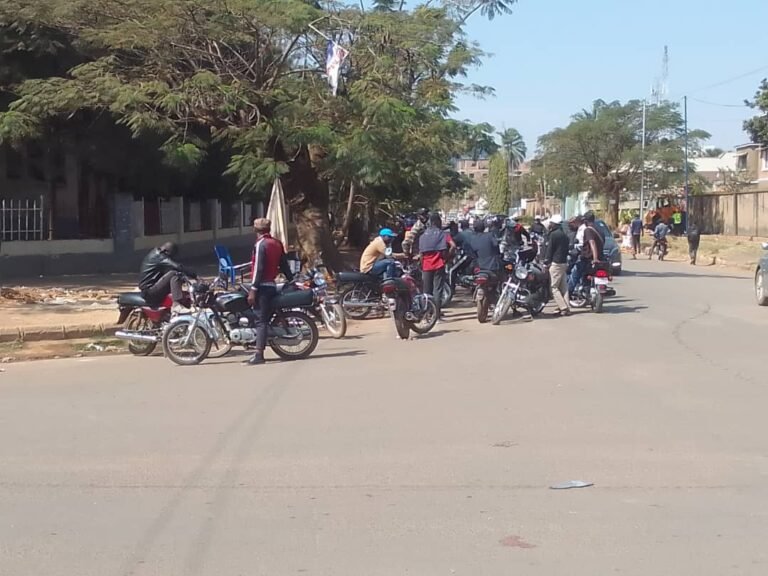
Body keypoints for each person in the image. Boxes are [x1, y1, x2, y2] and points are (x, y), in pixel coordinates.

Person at [245, 218, 293, 366]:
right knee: (264, 318)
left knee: (261, 320)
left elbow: (258, 268)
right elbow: (284, 264)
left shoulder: (261, 244)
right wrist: (291, 280)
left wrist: (253, 289)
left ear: (256, 230)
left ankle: (259, 354)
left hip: (262, 287)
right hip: (272, 285)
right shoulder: (277, 243)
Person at [138, 241, 195, 314]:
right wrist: (195, 276)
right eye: (171, 255)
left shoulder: (156, 254)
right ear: (165, 251)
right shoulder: (159, 256)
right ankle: (176, 305)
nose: (171, 258)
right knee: (174, 274)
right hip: (150, 292)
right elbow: (177, 266)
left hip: (151, 289)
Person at [419, 213, 456, 318]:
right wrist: (447, 257)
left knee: (426, 290)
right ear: (438, 222)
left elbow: (421, 253)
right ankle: (437, 314)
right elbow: (453, 245)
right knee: (437, 290)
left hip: (426, 266)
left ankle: (427, 313)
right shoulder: (443, 234)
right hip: (439, 264)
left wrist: (422, 264)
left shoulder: (423, 235)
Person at [569, 212, 604, 295]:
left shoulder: (588, 229)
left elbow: (592, 243)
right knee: (585, 276)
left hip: (588, 258)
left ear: (585, 220)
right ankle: (585, 289)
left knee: (575, 273)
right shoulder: (599, 230)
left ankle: (568, 294)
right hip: (600, 258)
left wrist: (595, 258)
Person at [544, 215, 570, 317]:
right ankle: (567, 306)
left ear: (554, 224)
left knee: (553, 287)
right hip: (564, 262)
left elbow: (550, 249)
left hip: (556, 263)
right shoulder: (564, 235)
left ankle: (563, 307)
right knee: (564, 287)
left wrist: (547, 261)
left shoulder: (554, 235)